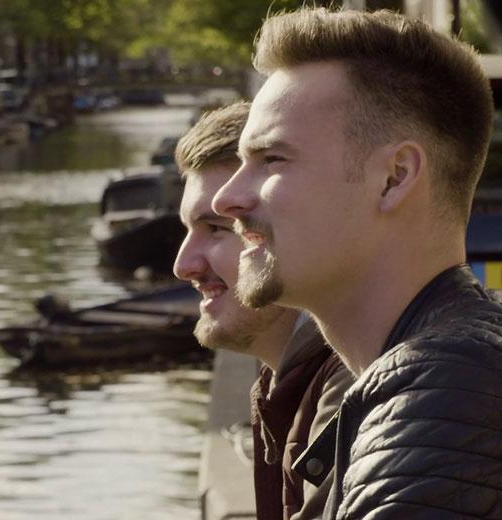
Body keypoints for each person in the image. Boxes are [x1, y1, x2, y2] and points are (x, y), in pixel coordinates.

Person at [211, 8, 502, 519]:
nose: (226, 199)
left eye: (272, 159)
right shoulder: (456, 364)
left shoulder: (458, 388)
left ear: (395, 177)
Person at [172, 101, 354, 520]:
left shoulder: (353, 389)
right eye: (188, 230)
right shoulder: (299, 380)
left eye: (217, 228)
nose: (183, 265)